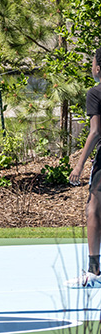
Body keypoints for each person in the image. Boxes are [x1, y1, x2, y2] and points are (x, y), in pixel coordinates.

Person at [68, 48, 101, 286]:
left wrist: (79, 165)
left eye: (92, 63)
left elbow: (96, 131)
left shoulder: (95, 93)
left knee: (93, 209)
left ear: (98, 68)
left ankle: (94, 271)